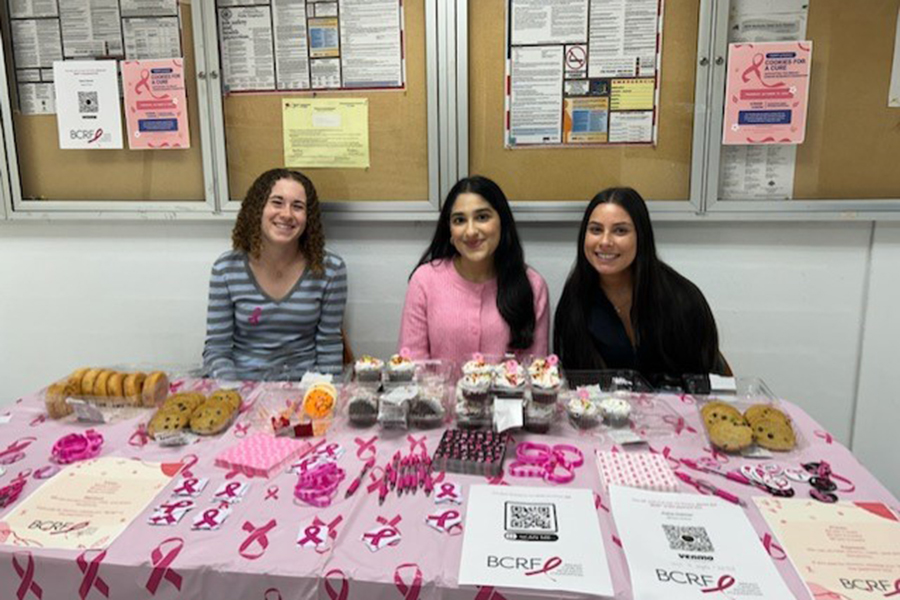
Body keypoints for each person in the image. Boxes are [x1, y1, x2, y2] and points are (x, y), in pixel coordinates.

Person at [553, 187, 723, 380]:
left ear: (641, 236)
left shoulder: (682, 299)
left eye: (620, 230)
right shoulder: (575, 299)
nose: (605, 241)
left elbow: (703, 384)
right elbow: (575, 385)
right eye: (596, 230)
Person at [203, 168, 347, 380]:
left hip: (304, 389)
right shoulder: (226, 269)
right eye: (277, 202)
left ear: (309, 218)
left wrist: (319, 395)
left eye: (297, 206)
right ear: (257, 208)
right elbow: (217, 350)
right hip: (242, 387)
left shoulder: (330, 270)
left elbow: (329, 349)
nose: (286, 214)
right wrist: (234, 392)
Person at [398, 175, 549, 364]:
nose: (470, 231)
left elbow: (536, 371)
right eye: (459, 220)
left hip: (506, 394)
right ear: (450, 231)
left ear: (502, 222)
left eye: (482, 217)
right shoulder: (424, 280)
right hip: (437, 393)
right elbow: (412, 365)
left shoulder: (533, 285)